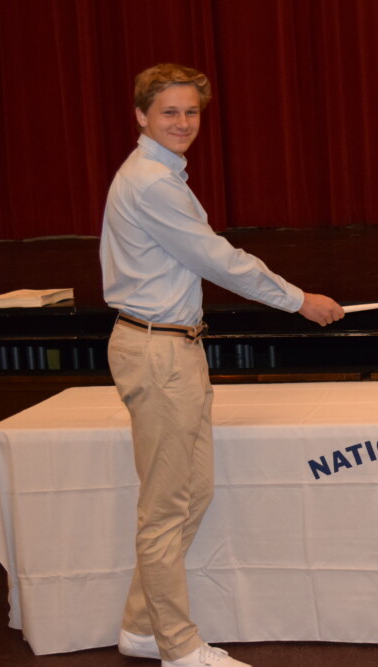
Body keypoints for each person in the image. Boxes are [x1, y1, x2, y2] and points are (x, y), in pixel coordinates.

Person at [100, 63, 344, 667]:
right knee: (165, 508)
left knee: (192, 494)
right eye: (169, 112)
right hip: (157, 351)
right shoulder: (152, 182)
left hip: (174, 347)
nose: (183, 123)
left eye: (191, 112)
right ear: (140, 116)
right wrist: (299, 301)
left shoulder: (163, 174)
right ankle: (179, 648)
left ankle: (140, 626)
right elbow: (218, 259)